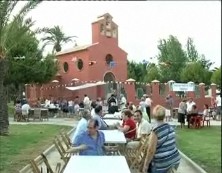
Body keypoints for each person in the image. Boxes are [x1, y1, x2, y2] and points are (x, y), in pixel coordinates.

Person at [142, 105, 181, 173]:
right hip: (175, 159)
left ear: (154, 116)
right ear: (164, 115)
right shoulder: (170, 127)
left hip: (162, 163)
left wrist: (145, 165)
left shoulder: (155, 131)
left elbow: (151, 151)